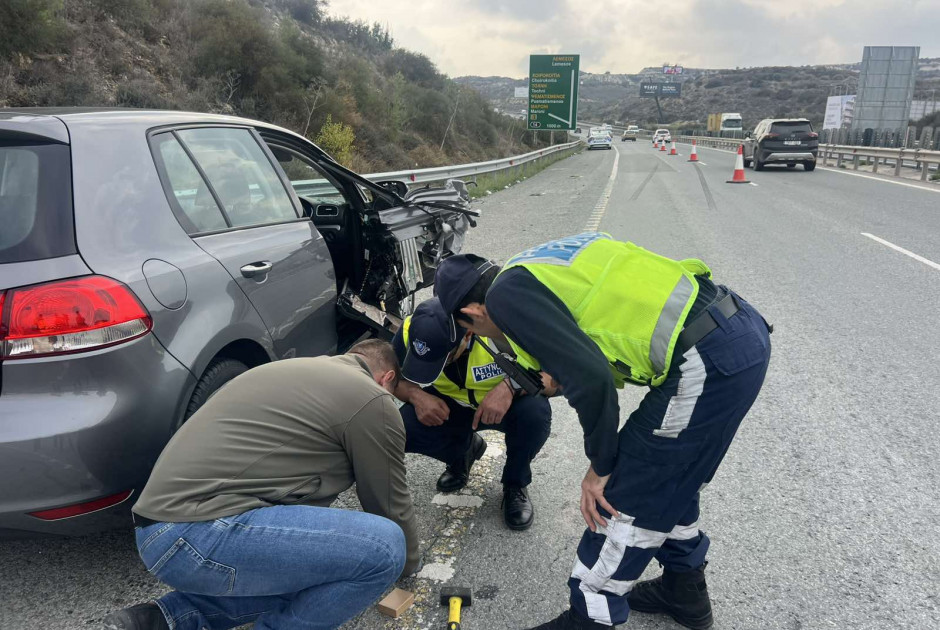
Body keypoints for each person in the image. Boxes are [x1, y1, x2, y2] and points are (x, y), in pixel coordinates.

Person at [434, 234, 772, 630]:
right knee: (668, 476)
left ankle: (589, 617)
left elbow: (592, 381)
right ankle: (684, 589)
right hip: (735, 330)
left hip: (705, 358)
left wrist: (600, 466)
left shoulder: (505, 299)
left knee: (623, 495)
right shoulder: (529, 267)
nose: (480, 337)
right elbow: (584, 340)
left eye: (471, 329)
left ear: (473, 310)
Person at [101, 340, 419, 630]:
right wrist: (407, 565)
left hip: (157, 533)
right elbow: (389, 501)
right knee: (385, 547)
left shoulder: (301, 374)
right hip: (195, 532)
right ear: (386, 378)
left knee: (323, 563)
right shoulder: (372, 397)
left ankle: (165, 620)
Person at [392, 296, 553, 530]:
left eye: (443, 358)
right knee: (400, 428)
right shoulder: (410, 331)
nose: (437, 366)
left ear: (467, 335)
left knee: (535, 413)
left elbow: (556, 377)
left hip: (508, 406)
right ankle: (463, 453)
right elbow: (393, 378)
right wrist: (417, 396)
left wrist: (511, 387)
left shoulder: (505, 330)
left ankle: (515, 484)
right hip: (451, 405)